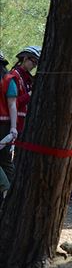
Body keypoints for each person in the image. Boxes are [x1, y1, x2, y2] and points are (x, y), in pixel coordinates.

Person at [0, 52, 15, 193]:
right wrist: (13, 127)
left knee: (4, 161)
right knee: (5, 161)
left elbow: (12, 105)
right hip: (5, 126)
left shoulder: (8, 80)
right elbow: (12, 106)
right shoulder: (9, 79)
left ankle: (8, 189)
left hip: (4, 126)